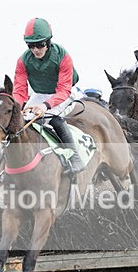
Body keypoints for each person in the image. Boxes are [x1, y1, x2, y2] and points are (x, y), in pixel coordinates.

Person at [13, 17, 85, 174]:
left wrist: (45, 106)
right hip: (39, 94)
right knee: (20, 120)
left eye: (40, 44)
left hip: (63, 93)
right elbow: (19, 91)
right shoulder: (22, 61)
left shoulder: (63, 56)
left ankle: (75, 158)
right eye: (31, 46)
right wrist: (16, 107)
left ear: (48, 42)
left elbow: (64, 90)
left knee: (51, 117)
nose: (36, 49)